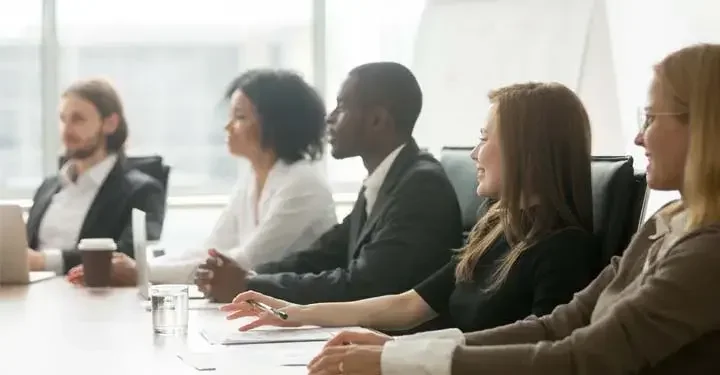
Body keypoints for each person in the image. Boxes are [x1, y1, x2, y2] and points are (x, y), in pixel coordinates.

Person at [306, 43, 720, 375]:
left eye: (649, 118)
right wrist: (397, 350)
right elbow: (560, 324)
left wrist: (397, 361)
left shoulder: (707, 252)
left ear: (702, 125)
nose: (638, 137)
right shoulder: (664, 225)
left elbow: (582, 357)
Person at [222, 82, 599, 334]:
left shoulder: (565, 251)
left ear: (527, 152)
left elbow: (539, 354)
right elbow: (406, 305)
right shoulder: (497, 232)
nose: (474, 153)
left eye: (484, 138)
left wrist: (398, 355)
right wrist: (294, 313)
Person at [195, 62, 463, 304]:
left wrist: (251, 284)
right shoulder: (386, 179)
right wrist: (250, 277)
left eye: (342, 107)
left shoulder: (420, 186)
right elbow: (323, 256)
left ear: (376, 120)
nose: (329, 118)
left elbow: (363, 284)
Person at [66, 70, 338, 286]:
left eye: (240, 117)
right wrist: (142, 268)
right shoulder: (252, 178)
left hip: (299, 312)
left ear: (277, 124)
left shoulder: (303, 184)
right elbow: (212, 251)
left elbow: (242, 262)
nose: (228, 127)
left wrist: (142, 272)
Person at [25, 78, 165, 278]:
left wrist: (44, 261)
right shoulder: (48, 187)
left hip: (93, 298)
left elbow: (127, 257)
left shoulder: (142, 191)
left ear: (110, 123)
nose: (66, 130)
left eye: (78, 119)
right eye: (63, 119)